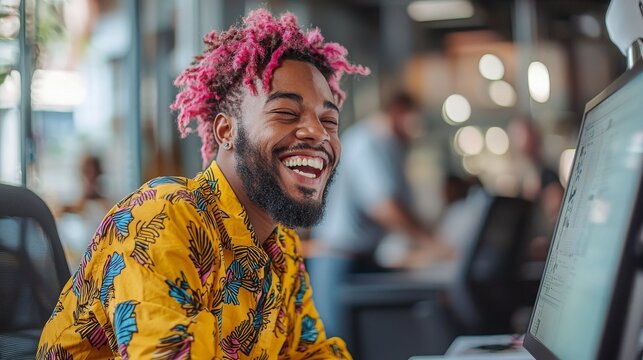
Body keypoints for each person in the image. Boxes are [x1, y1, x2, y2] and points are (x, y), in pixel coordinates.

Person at [37, 9, 368, 359]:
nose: (318, 132)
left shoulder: (282, 247)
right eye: (285, 113)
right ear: (226, 131)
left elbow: (311, 352)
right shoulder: (163, 218)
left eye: (329, 121)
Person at [307, 91, 453, 339]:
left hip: (361, 259)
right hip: (338, 261)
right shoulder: (367, 143)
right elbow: (383, 207)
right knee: (338, 345)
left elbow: (402, 208)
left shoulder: (391, 147)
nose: (416, 128)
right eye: (412, 119)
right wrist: (431, 243)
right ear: (397, 112)